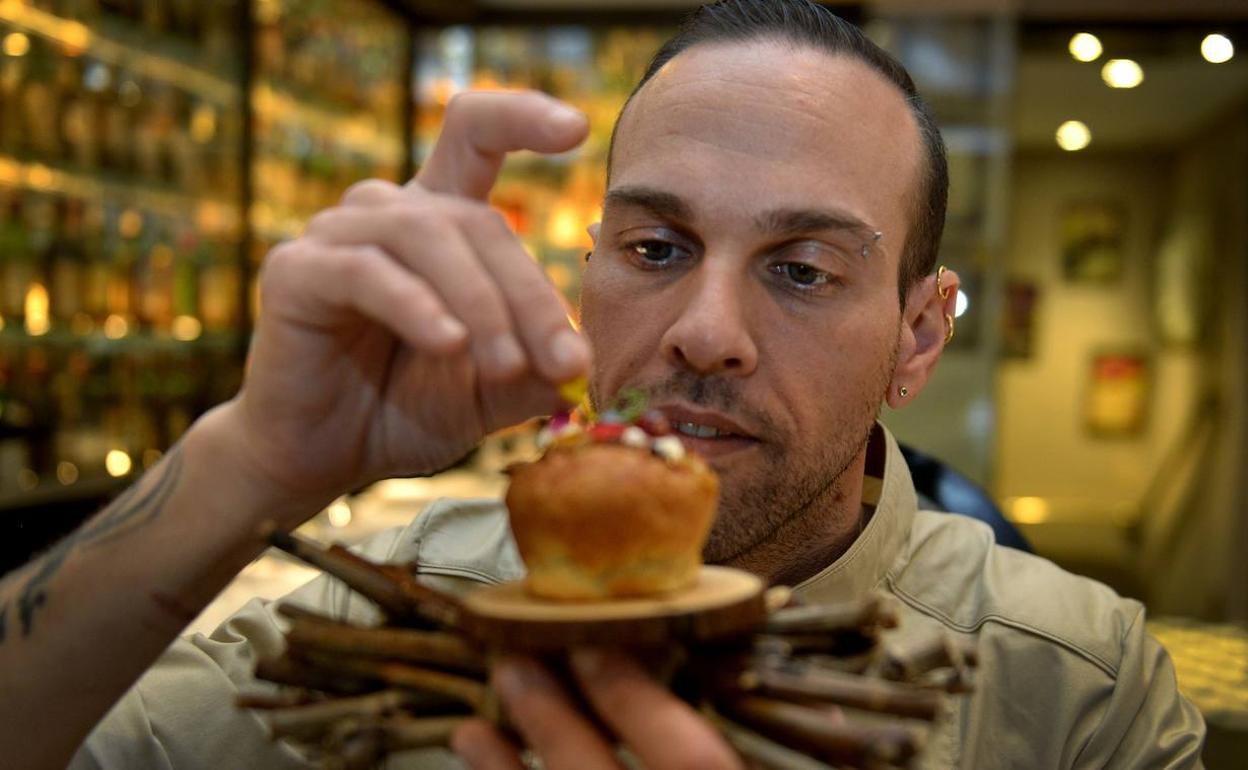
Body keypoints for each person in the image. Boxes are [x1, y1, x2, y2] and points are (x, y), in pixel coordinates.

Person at [0, 1, 1205, 768]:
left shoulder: (1072, 688)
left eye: (801, 268)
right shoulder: (385, 619)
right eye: (658, 250)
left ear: (918, 337)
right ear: (586, 277)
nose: (705, 333)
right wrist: (253, 455)